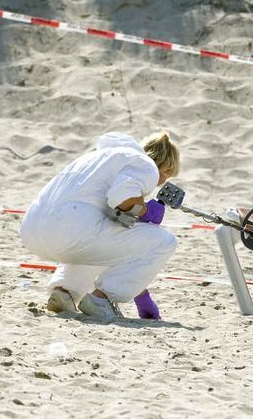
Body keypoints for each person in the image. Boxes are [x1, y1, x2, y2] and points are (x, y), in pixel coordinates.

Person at [20, 131, 180, 321]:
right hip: (69, 230)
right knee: (165, 241)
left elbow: (114, 243)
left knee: (102, 239)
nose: (161, 183)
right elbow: (123, 197)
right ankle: (101, 299)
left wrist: (140, 291)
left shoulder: (100, 158)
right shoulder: (146, 165)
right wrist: (145, 211)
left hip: (33, 230)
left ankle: (65, 292)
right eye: (166, 176)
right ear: (161, 166)